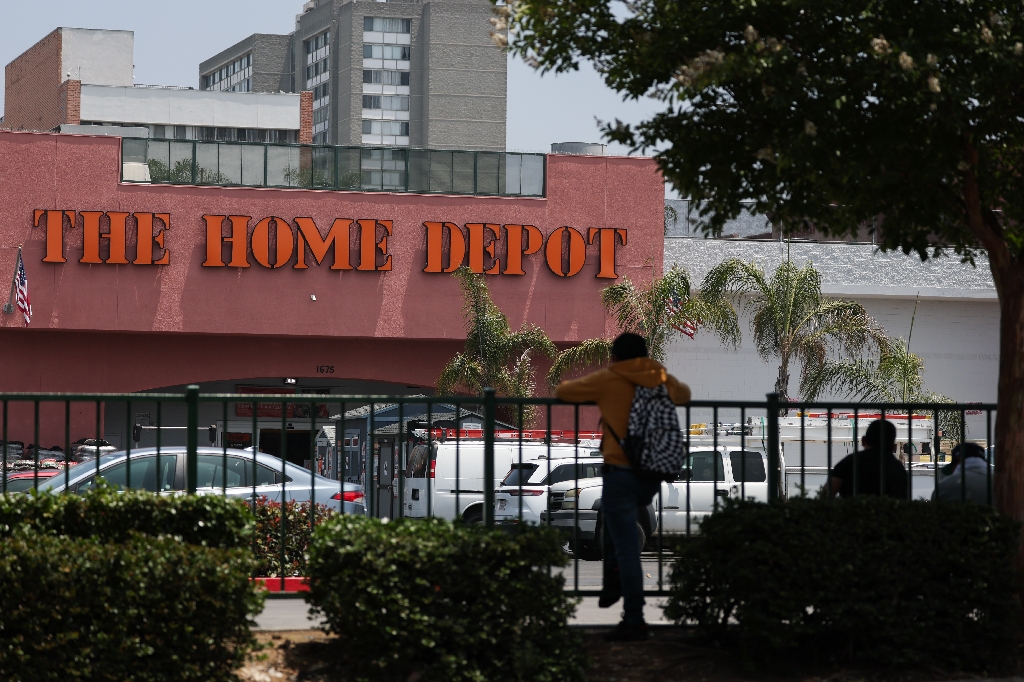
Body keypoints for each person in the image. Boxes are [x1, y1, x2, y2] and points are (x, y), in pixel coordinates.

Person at [555, 332, 690, 642]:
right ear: (644, 356)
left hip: (621, 473)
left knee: (626, 545)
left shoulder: (609, 379)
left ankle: (634, 619)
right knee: (616, 530)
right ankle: (613, 580)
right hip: (652, 474)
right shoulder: (658, 378)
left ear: (614, 357)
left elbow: (564, 392)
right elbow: (683, 395)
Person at [826, 419, 908, 499]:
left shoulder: (848, 463)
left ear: (863, 440)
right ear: (893, 447)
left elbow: (825, 496)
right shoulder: (898, 469)